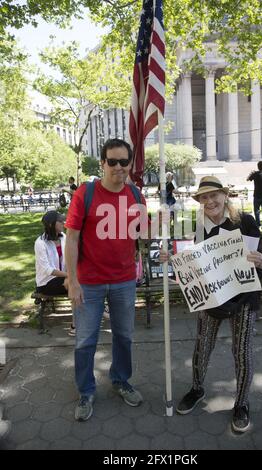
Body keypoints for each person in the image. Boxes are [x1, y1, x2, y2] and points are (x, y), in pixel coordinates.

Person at [160, 175, 262, 433]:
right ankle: (197, 389)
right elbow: (189, 261)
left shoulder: (245, 222)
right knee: (202, 347)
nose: (210, 201)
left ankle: (241, 404)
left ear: (224, 196)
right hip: (211, 298)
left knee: (242, 352)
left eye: (214, 195)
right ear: (200, 202)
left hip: (243, 298)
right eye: (204, 197)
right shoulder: (195, 227)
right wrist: (170, 257)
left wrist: (260, 260)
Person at [65, 138, 147, 422]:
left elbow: (142, 235)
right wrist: (72, 280)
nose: (118, 167)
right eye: (112, 161)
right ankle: (86, 391)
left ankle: (121, 379)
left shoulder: (136, 195)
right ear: (102, 163)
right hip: (89, 282)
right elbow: (72, 238)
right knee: (85, 341)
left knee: (124, 337)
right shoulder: (85, 193)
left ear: (130, 164)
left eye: (124, 161)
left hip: (124, 281)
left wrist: (152, 252)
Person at [34, 210, 75, 336]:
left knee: (75, 283)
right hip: (46, 282)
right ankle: (76, 325)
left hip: (64, 278)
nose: (63, 222)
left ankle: (76, 325)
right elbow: (48, 270)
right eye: (60, 221)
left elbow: (70, 257)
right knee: (73, 284)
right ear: (51, 224)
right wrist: (69, 276)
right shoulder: (40, 243)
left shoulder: (64, 237)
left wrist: (71, 274)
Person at [247, 161, 262, 228]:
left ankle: (258, 224)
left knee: (256, 210)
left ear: (258, 166)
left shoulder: (255, 174)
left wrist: (251, 173)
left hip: (257, 193)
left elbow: (247, 179)